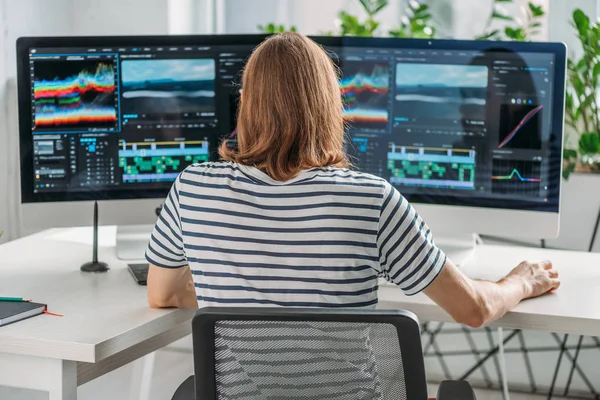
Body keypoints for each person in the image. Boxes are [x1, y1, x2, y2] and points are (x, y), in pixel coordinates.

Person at [145, 32, 560, 329]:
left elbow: (162, 295)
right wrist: (520, 281)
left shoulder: (192, 187)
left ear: (246, 103)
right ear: (330, 107)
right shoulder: (372, 199)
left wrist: (247, 302)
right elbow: (474, 310)